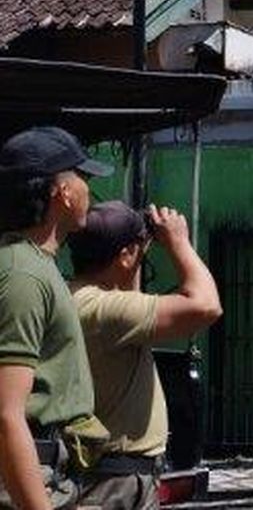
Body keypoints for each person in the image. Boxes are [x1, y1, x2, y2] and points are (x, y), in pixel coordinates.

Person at [68, 202, 223, 509]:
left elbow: (128, 298)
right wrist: (179, 243)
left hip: (114, 474)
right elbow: (207, 306)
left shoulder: (83, 298)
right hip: (112, 482)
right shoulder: (103, 310)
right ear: (125, 256)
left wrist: (133, 258)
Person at [0, 126, 112, 510]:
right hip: (31, 479)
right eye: (82, 177)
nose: (88, 188)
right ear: (61, 192)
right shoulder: (23, 274)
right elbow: (6, 414)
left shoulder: (33, 264)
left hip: (51, 474)